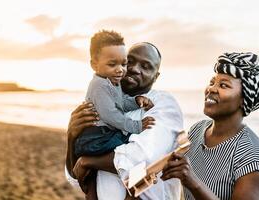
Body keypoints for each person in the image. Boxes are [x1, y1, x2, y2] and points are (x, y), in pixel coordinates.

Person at [65, 42, 184, 200]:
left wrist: (89, 161)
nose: (134, 69)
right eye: (130, 61)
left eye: (146, 66)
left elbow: (142, 158)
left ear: (156, 76)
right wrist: (72, 138)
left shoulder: (162, 103)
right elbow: (75, 178)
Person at [161, 52, 259, 200]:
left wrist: (193, 182)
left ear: (244, 99)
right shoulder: (197, 130)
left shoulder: (251, 157)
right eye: (212, 82)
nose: (211, 89)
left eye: (223, 85)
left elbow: (189, 178)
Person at [73, 30, 155, 199]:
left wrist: (137, 101)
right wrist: (137, 126)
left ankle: (132, 188)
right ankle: (135, 187)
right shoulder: (99, 86)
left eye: (123, 64)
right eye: (112, 64)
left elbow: (121, 103)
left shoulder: (112, 80)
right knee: (131, 150)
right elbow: (111, 115)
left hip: (103, 135)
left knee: (130, 154)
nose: (120, 70)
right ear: (94, 65)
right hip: (95, 138)